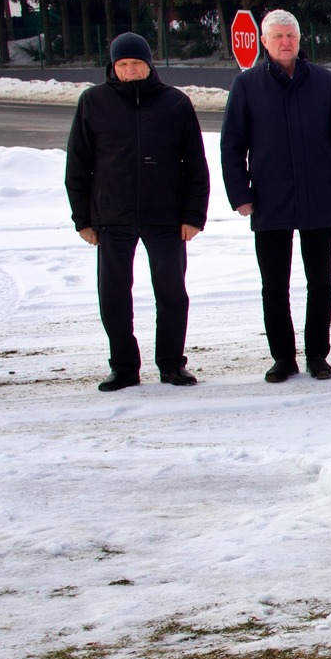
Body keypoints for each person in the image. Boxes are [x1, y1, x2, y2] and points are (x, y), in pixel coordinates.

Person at [219, 9, 331, 382]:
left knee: (321, 282)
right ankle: (283, 357)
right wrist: (240, 194)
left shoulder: (323, 82)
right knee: (275, 285)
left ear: (300, 40)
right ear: (264, 42)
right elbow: (232, 144)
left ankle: (317, 355)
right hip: (269, 198)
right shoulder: (247, 85)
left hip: (318, 196)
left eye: (291, 36)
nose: (285, 42)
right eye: (278, 36)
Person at [65, 33, 210, 391]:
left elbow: (194, 164)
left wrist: (193, 216)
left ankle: (172, 364)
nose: (130, 71)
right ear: (113, 67)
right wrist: (83, 219)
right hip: (112, 216)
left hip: (166, 217)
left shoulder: (175, 103)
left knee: (172, 293)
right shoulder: (93, 102)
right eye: (123, 65)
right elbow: (78, 165)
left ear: (149, 65)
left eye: (137, 64)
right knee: (114, 294)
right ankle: (124, 367)